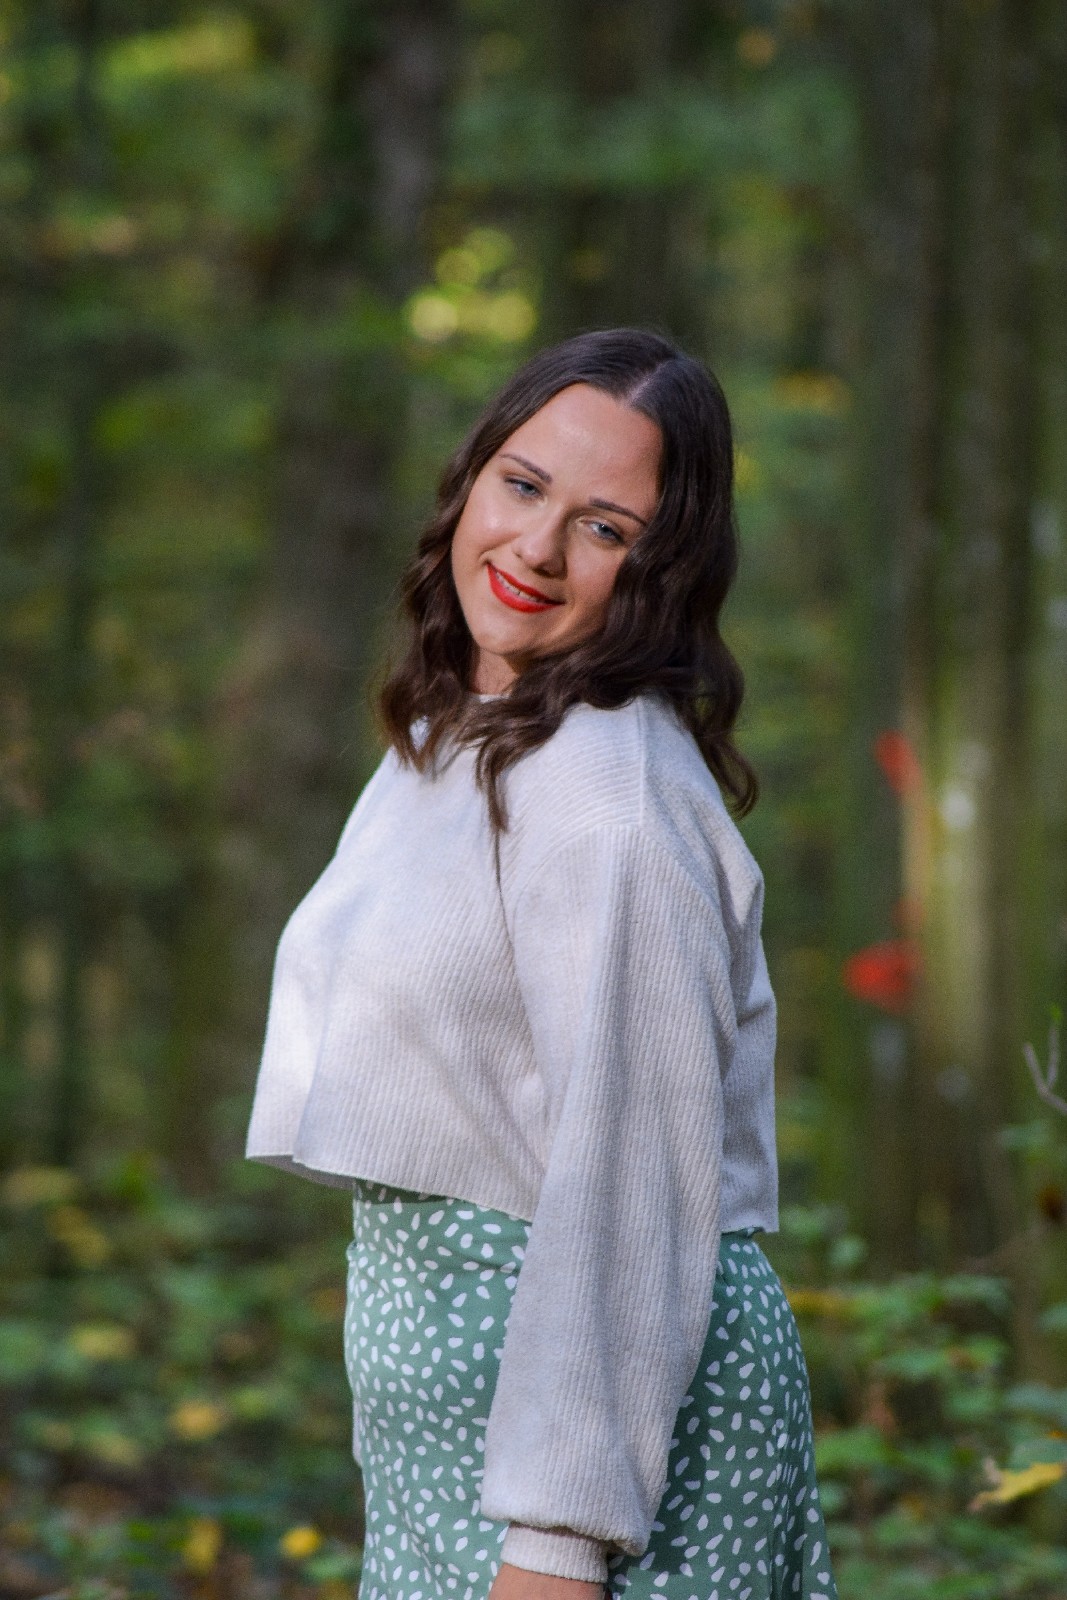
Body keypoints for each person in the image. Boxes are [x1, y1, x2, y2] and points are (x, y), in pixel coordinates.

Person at [246, 328, 838, 1600]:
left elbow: (635, 1181)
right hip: (468, 1449)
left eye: (604, 527)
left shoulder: (607, 796)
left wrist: (558, 1544)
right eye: (522, 486)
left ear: (661, 569)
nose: (535, 548)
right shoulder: (459, 727)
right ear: (471, 477)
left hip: (595, 1468)